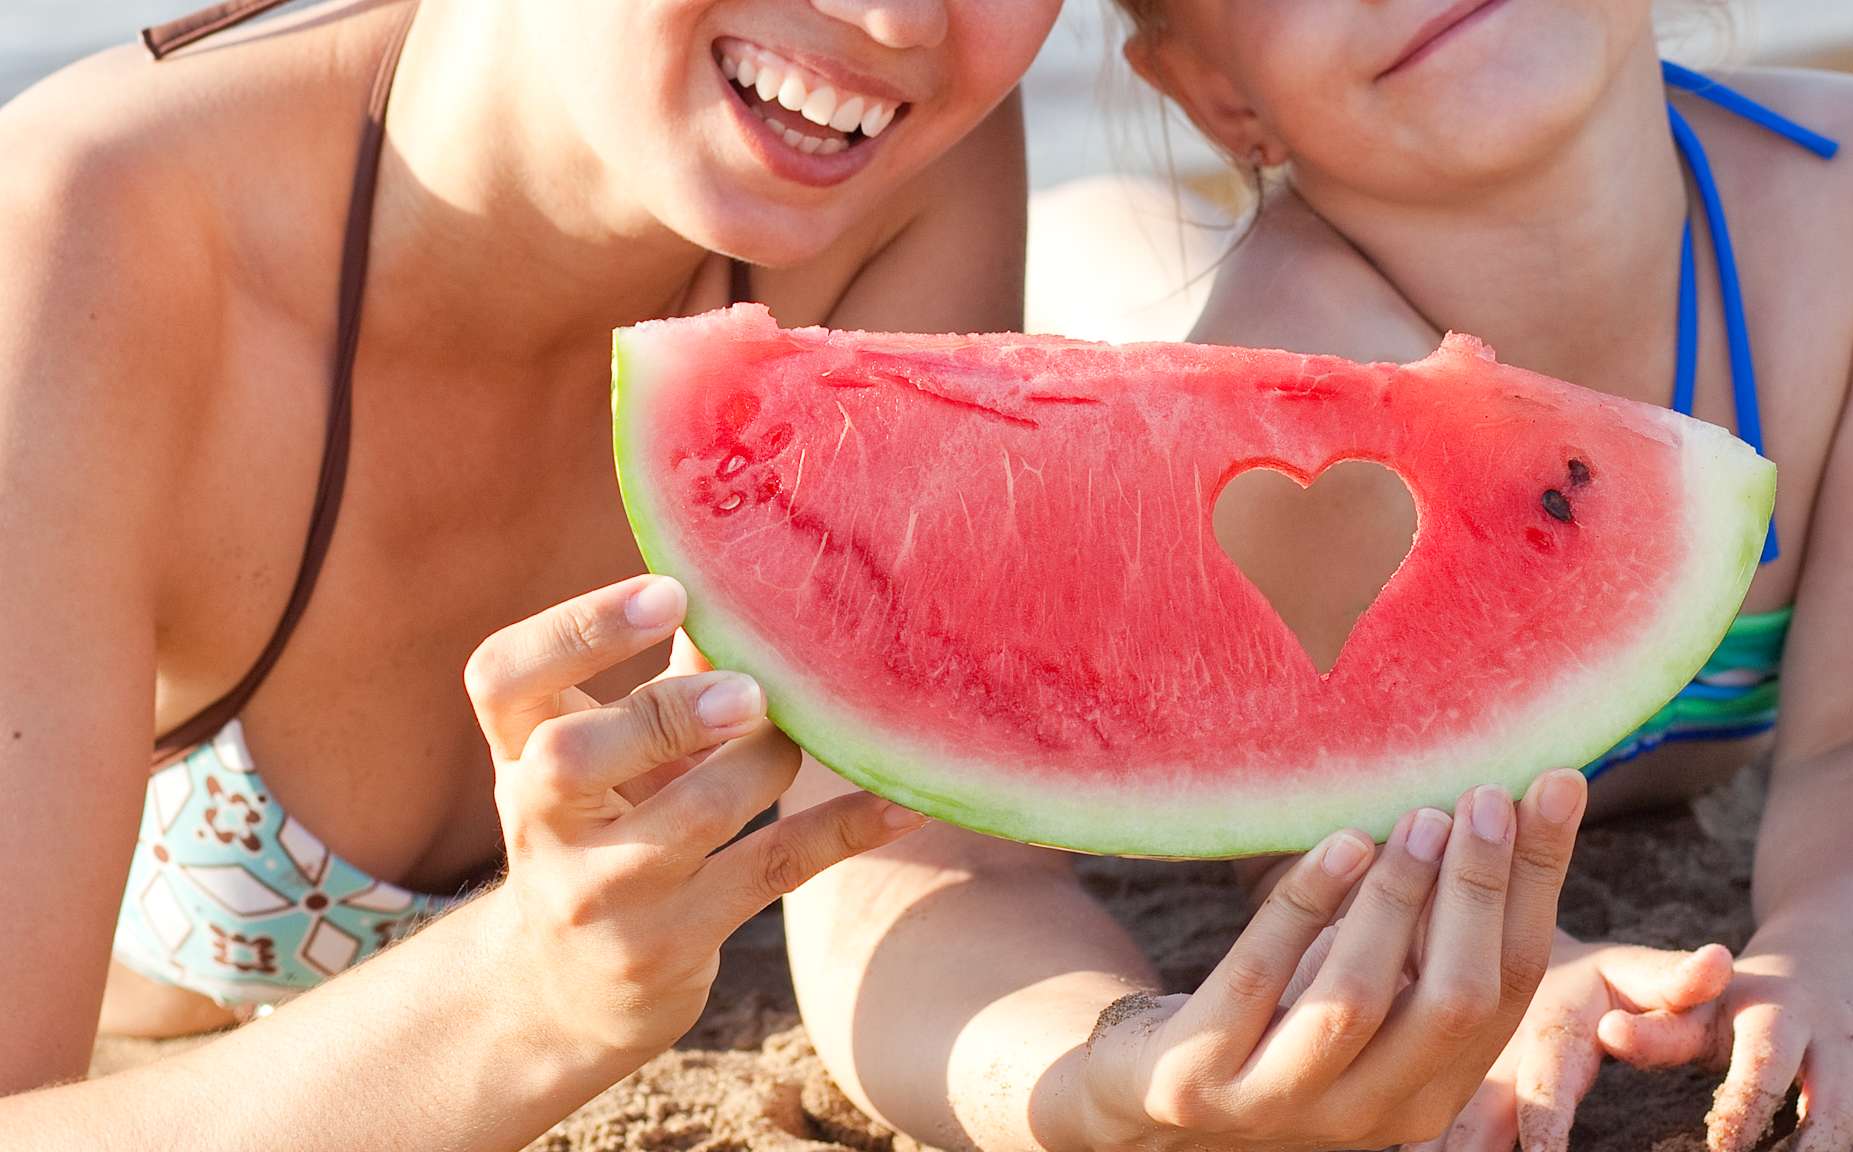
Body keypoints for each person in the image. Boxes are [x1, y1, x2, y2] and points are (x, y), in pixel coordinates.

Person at [0, 0, 1062, 1144]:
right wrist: (527, 997)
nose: (898, 20)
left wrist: (1127, 1061)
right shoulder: (73, 239)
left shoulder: (891, 167)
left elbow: (921, 868)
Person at [1075, 2, 1853, 1150]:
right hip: (1144, 350)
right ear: (1216, 96)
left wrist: (1835, 953)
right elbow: (1298, 840)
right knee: (1102, 266)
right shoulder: (1273, 397)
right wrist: (1530, 967)